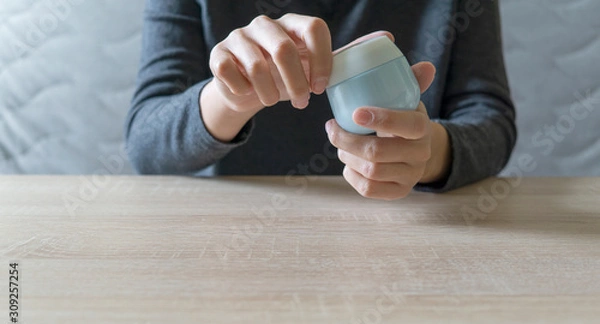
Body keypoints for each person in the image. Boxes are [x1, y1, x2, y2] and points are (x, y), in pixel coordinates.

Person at [125, 0, 516, 200]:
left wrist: (430, 153)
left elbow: (490, 119)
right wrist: (230, 97)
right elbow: (146, 143)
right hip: (247, 248)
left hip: (413, 239)